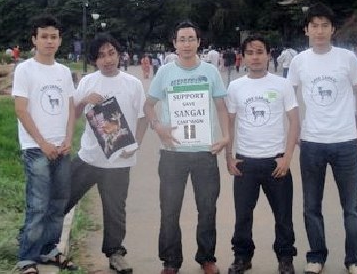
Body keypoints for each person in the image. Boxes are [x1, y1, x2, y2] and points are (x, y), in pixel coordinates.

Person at [143, 21, 230, 274]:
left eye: (191, 38)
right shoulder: (165, 72)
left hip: (204, 152)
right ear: (175, 44)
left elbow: (221, 107)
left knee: (207, 208)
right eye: (182, 39)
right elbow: (149, 105)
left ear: (199, 42)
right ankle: (171, 261)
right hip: (173, 154)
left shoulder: (210, 72)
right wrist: (158, 127)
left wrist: (225, 137)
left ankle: (207, 258)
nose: (187, 44)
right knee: (170, 209)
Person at [287, 3, 357, 274]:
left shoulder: (347, 58)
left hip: (345, 142)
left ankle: (355, 260)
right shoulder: (299, 61)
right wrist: (296, 132)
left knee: (351, 206)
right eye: (314, 26)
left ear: (333, 29)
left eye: (324, 25)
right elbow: (289, 99)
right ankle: (316, 256)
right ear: (306, 30)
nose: (319, 31)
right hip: (312, 143)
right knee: (311, 205)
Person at [65, 34, 148, 274]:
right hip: (89, 158)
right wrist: (84, 101)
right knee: (62, 197)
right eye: (101, 55)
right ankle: (42, 242)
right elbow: (74, 114)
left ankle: (115, 254)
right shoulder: (88, 82)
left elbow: (143, 117)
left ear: (119, 55)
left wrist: (136, 144)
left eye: (111, 53)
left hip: (118, 161)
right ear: (94, 60)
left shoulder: (132, 83)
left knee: (115, 211)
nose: (107, 59)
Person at [225, 34, 300, 274]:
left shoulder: (282, 85)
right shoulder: (235, 87)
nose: (255, 57)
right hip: (245, 162)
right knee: (243, 216)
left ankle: (285, 257)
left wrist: (287, 157)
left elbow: (294, 121)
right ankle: (242, 257)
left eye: (260, 52)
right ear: (243, 57)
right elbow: (229, 123)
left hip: (275, 162)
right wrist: (229, 156)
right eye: (250, 53)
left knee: (283, 215)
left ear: (269, 55)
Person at [11, 15, 78, 274]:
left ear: (60, 40)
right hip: (35, 148)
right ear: (34, 40)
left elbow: (70, 109)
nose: (49, 41)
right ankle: (27, 258)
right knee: (38, 204)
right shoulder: (25, 69)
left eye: (53, 37)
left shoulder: (63, 72)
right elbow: (21, 109)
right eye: (44, 36)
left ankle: (49, 250)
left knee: (58, 203)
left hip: (61, 148)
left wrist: (68, 139)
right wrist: (42, 143)